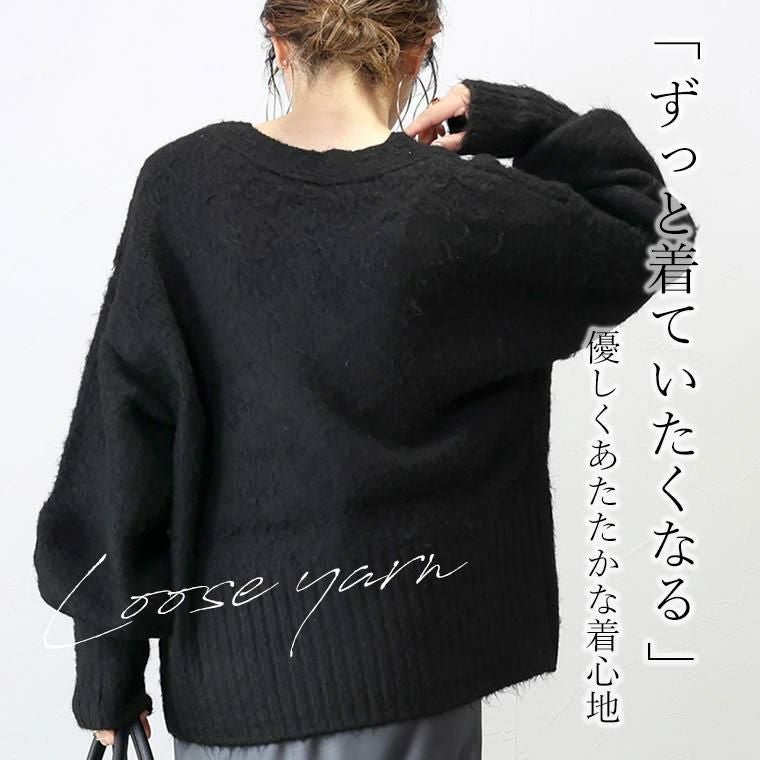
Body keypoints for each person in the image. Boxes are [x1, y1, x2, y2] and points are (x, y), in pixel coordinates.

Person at [33, 1, 697, 758]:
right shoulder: (466, 208)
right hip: (409, 680)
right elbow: (657, 238)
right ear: (420, 50)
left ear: (279, 41)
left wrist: (107, 670)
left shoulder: (183, 189)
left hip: (232, 686)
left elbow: (125, 431)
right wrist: (523, 121)